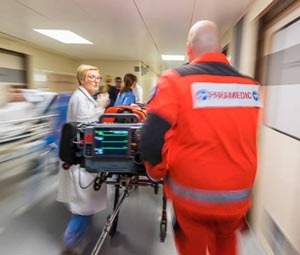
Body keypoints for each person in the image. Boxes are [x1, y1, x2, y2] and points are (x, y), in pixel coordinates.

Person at [140, 20, 262, 255]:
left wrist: (157, 172)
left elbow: (152, 138)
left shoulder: (175, 80)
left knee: (192, 246)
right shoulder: (251, 86)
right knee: (226, 243)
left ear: (189, 48)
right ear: (219, 48)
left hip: (192, 199)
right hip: (237, 198)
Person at [57, 64, 110, 254]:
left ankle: (76, 241)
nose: (96, 80)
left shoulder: (85, 97)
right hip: (80, 161)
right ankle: (69, 246)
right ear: (81, 79)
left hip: (86, 158)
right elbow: (86, 125)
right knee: (82, 209)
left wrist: (98, 107)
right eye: (91, 77)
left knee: (85, 207)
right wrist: (100, 107)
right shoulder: (79, 98)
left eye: (98, 77)